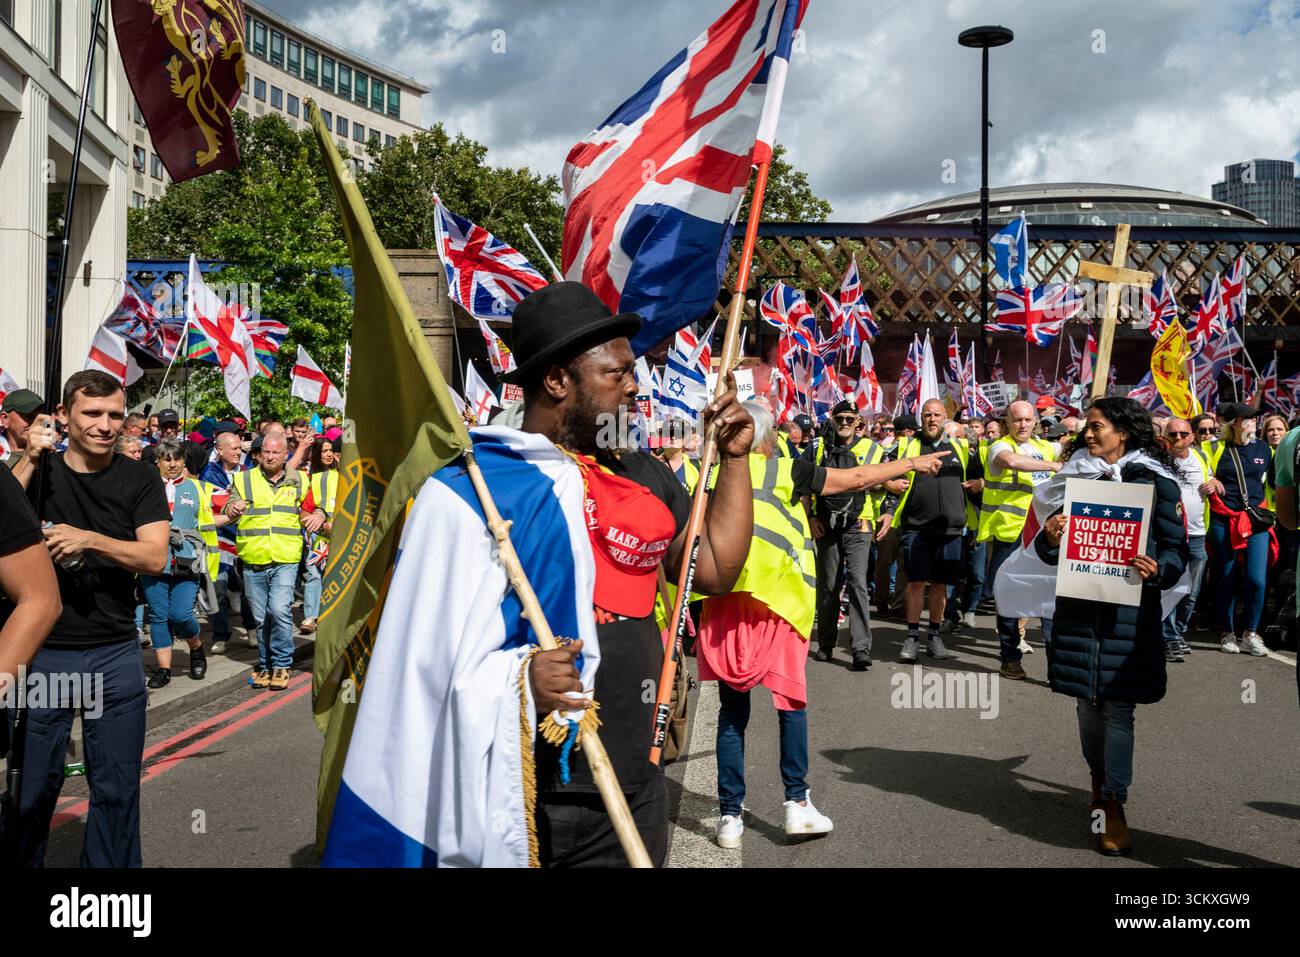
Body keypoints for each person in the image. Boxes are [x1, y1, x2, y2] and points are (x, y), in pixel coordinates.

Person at [511, 281, 754, 866]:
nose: (634, 386)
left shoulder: (643, 472)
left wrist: (736, 459)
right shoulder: (491, 482)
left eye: (632, 371)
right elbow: (428, 643)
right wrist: (519, 680)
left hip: (635, 778)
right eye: (615, 374)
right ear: (556, 381)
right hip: (519, 790)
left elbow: (715, 569)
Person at [699, 401, 947, 849]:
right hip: (778, 604)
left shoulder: (709, 478)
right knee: (790, 706)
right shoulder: (786, 469)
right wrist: (912, 461)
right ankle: (796, 805)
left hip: (727, 608)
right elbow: (853, 480)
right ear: (768, 437)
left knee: (732, 715)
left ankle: (730, 817)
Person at [6, 370, 170, 867]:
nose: (105, 425)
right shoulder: (38, 470)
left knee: (116, 791)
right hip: (47, 654)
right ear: (63, 416)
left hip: (115, 654)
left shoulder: (138, 476)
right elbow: (1, 517)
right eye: (92, 413)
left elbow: (155, 557)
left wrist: (90, 538)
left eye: (115, 414)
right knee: (31, 792)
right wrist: (30, 457)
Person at [1037, 397, 1189, 856]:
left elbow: (1176, 551)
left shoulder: (1157, 481)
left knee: (1118, 709)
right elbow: (1047, 553)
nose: (1088, 434)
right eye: (1087, 426)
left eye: (1097, 426)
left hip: (1129, 612)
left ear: (1123, 432)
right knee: (1087, 704)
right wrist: (1050, 535)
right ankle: (1097, 780)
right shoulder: (1072, 480)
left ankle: (1113, 801)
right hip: (1080, 609)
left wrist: (1157, 566)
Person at [877, 398, 981, 661]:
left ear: (945, 418)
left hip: (951, 530)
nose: (932, 419)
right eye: (927, 415)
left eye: (937, 415)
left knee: (940, 586)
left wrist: (980, 482)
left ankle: (934, 636)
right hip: (917, 528)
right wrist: (889, 489)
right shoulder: (906, 446)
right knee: (914, 583)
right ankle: (912, 637)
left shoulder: (962, 447)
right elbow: (880, 471)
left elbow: (982, 477)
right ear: (920, 418)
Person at [980, 400, 1062, 679]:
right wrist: (1053, 465)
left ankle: (1056, 665)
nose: (1023, 425)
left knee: (1050, 595)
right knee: (1009, 597)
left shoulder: (1046, 446)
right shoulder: (1000, 446)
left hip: (1046, 534)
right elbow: (1010, 462)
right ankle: (1010, 658)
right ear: (1007, 423)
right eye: (1017, 420)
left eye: (1028, 420)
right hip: (1011, 533)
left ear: (1036, 421)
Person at [805, 402, 888, 669]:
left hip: (860, 525)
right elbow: (801, 483)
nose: (844, 423)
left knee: (857, 584)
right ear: (832, 419)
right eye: (840, 418)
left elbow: (892, 483)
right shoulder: (817, 447)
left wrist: (887, 512)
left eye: (849, 419)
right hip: (826, 525)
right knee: (828, 586)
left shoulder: (874, 449)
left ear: (858, 422)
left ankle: (861, 648)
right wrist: (810, 517)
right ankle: (826, 644)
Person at [223, 432, 305, 690]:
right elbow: (229, 506)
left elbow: (312, 508)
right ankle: (266, 664)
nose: (270, 456)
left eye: (275, 452)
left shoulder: (300, 480)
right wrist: (232, 508)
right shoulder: (244, 479)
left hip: (285, 557)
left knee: (279, 611)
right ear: (259, 454)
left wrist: (318, 515)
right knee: (261, 618)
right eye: (265, 452)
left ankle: (281, 664)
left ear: (285, 455)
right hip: (253, 558)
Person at [140, 437, 223, 688]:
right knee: (158, 614)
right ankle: (163, 669)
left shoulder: (197, 488)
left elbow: (221, 506)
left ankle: (196, 647)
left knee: (181, 613)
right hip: (152, 558)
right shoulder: (146, 486)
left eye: (177, 458)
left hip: (186, 559)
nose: (172, 464)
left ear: (184, 461)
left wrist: (234, 508)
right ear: (158, 462)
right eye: (167, 459)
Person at [1202, 403, 1274, 656]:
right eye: (1247, 419)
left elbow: (1274, 481)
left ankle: (1252, 633)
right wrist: (1209, 479)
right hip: (1223, 519)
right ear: (1233, 423)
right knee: (1226, 577)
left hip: (1255, 521)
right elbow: (1199, 472)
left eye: (1255, 420)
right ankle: (1227, 632)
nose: (1252, 424)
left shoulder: (1265, 449)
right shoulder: (1212, 447)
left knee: (1257, 579)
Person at [1160, 419, 1210, 662]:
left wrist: (1215, 483)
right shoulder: (1158, 461)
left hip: (1198, 534)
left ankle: (1178, 633)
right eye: (1173, 434)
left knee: (1192, 591)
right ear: (1165, 437)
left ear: (1192, 436)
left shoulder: (1200, 457)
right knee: (1171, 587)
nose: (1178, 437)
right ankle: (1168, 638)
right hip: (1171, 536)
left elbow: (1210, 478)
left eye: (1183, 433)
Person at [199, 426, 252, 654]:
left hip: (245, 539)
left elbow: (252, 502)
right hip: (219, 542)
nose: (238, 452)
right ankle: (220, 636)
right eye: (233, 448)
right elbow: (213, 505)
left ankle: (252, 629)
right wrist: (231, 504)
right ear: (219, 450)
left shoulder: (249, 470)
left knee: (248, 588)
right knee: (218, 590)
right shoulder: (208, 473)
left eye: (240, 448)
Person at [299, 435, 340, 634]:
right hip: (322, 539)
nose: (329, 454)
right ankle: (311, 616)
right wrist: (322, 523)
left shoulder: (345, 475)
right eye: (324, 451)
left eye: (331, 450)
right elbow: (304, 513)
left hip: (343, 536)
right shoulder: (313, 480)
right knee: (314, 574)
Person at [1, 389, 44, 464]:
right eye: (29, 416)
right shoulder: (2, 456)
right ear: (5, 419)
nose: (36, 422)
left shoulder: (53, 454)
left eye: (40, 417)